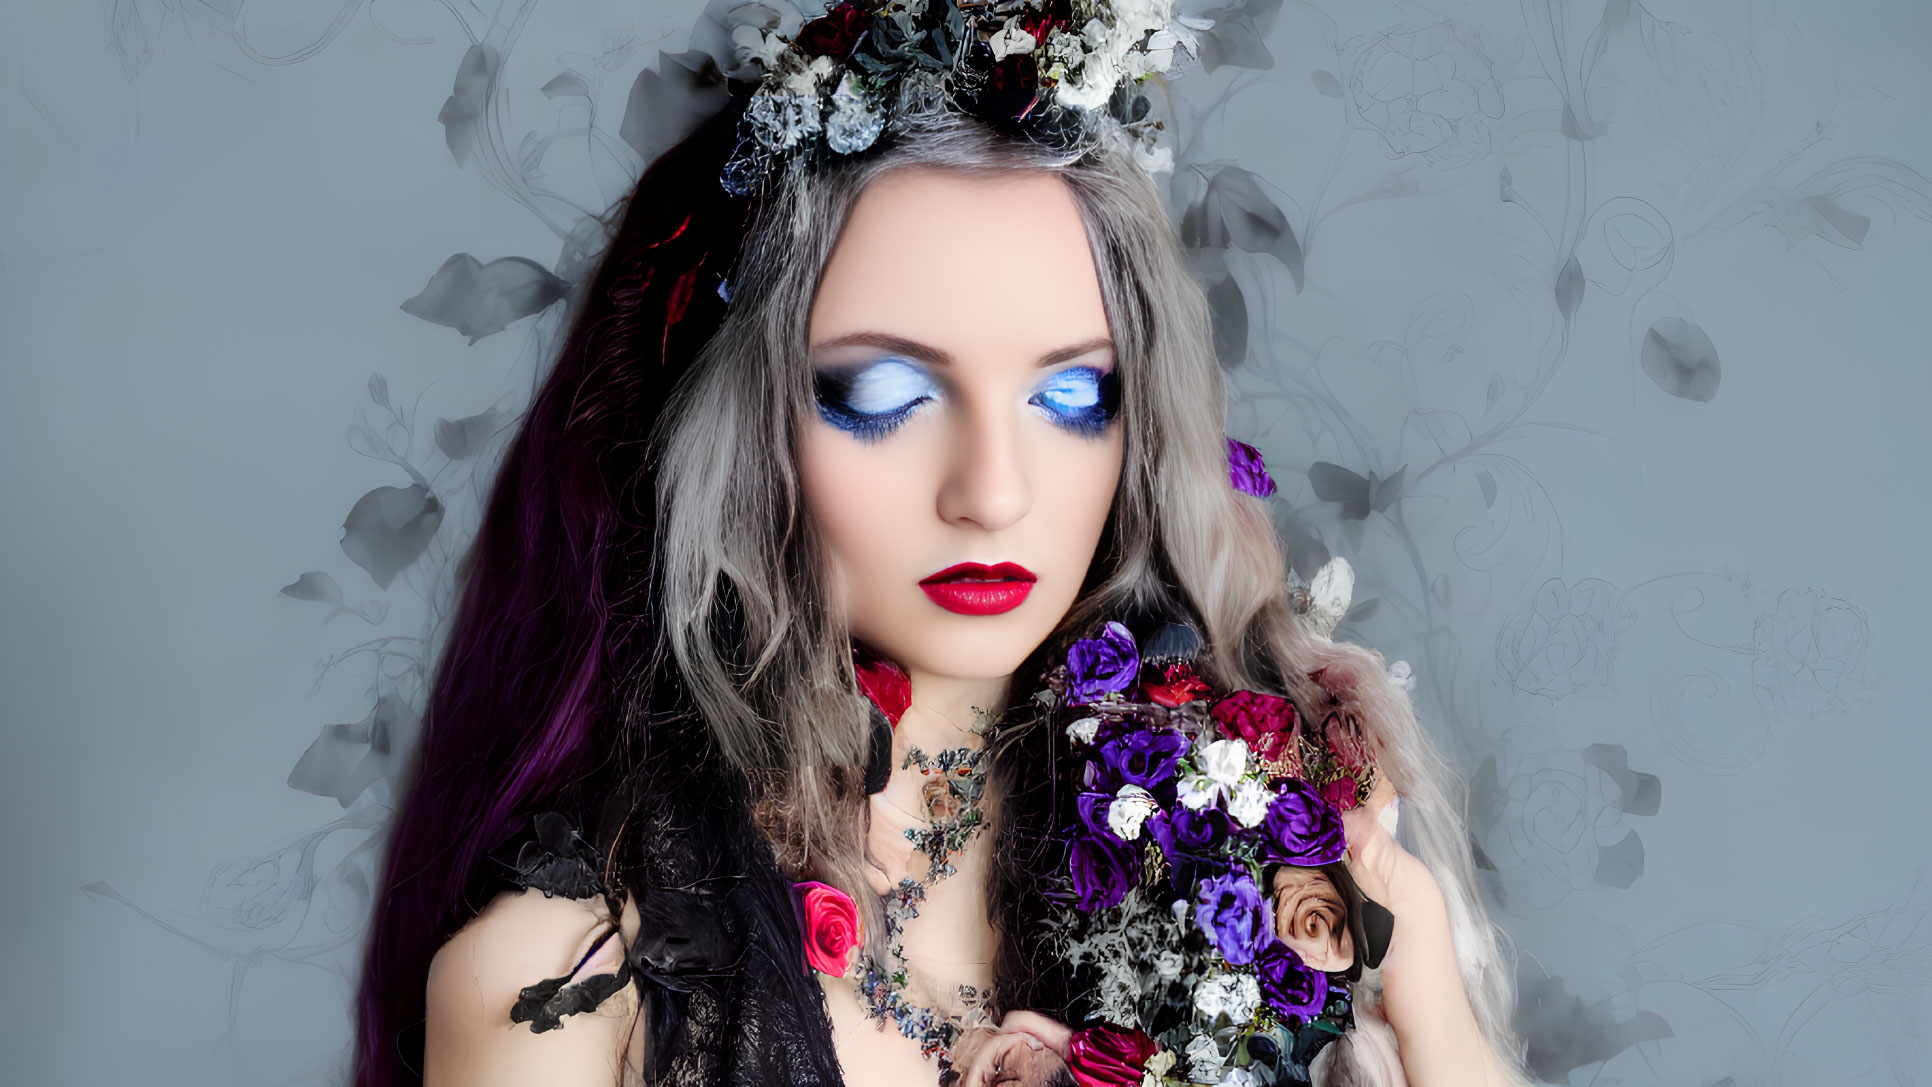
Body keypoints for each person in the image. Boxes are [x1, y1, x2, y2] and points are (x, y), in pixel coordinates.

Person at [352, 2, 1533, 1085]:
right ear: (736, 430)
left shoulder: (1269, 888)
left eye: (1073, 400)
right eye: (880, 392)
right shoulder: (567, 984)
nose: (994, 491)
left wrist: (1417, 969)